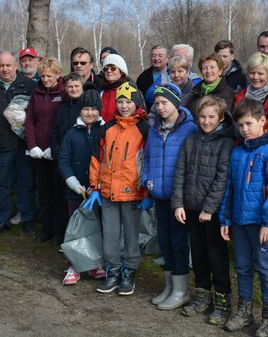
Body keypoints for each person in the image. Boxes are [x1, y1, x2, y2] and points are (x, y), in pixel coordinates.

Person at [219, 99, 268, 337]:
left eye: (249, 123)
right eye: (240, 125)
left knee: (266, 269)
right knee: (241, 267)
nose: (244, 129)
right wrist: (225, 219)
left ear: (262, 121)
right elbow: (229, 188)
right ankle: (244, 311)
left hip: (262, 225)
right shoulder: (238, 152)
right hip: (239, 221)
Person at [172, 96, 236, 325]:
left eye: (211, 117)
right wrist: (178, 203)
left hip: (213, 212)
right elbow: (180, 172)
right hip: (190, 207)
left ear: (220, 118)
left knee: (216, 256)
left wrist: (209, 208)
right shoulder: (191, 140)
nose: (206, 121)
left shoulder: (226, 143)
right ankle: (202, 295)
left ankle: (222, 301)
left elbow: (222, 178)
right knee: (197, 254)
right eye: (202, 116)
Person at [83, 82, 150, 296]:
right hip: (108, 192)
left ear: (136, 104)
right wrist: (94, 188)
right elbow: (96, 159)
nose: (123, 106)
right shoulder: (107, 128)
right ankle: (112, 269)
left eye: (128, 102)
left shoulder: (144, 129)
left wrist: (147, 192)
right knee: (110, 235)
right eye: (120, 101)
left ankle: (129, 271)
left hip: (133, 193)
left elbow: (148, 161)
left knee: (131, 235)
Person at [142, 84, 198, 310]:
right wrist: (146, 179)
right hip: (160, 194)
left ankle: (181, 289)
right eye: (157, 103)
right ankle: (169, 285)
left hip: (179, 197)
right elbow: (146, 157)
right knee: (164, 241)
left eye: (165, 102)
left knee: (178, 242)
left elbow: (193, 162)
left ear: (176, 103)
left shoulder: (189, 128)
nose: (160, 107)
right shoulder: (154, 129)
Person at [0, 51, 37, 236]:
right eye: (1, 66)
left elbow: (36, 113)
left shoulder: (29, 85)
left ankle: (27, 218)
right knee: (2, 184)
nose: (5, 69)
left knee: (25, 183)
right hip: (0, 142)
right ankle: (2, 220)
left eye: (9, 65)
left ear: (16, 65)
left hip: (23, 143)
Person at [58, 88, 106, 285]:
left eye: (94, 109)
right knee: (76, 228)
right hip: (76, 190)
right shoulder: (72, 133)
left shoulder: (104, 131)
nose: (89, 113)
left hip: (99, 191)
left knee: (97, 227)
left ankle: (95, 264)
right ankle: (75, 265)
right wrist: (75, 185)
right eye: (86, 108)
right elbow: (63, 160)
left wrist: (99, 185)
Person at [25, 57, 67, 243]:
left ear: (58, 75)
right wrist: (32, 145)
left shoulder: (64, 93)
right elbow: (30, 121)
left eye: (49, 76)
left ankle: (59, 230)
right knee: (44, 192)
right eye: (43, 76)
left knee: (58, 193)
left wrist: (54, 148)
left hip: (56, 151)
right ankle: (47, 228)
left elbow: (64, 122)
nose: (45, 79)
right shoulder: (37, 93)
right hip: (39, 152)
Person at [99, 54, 131, 122]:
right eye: (106, 68)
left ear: (121, 71)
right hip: (101, 131)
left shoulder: (130, 91)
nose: (109, 70)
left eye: (113, 68)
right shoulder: (101, 92)